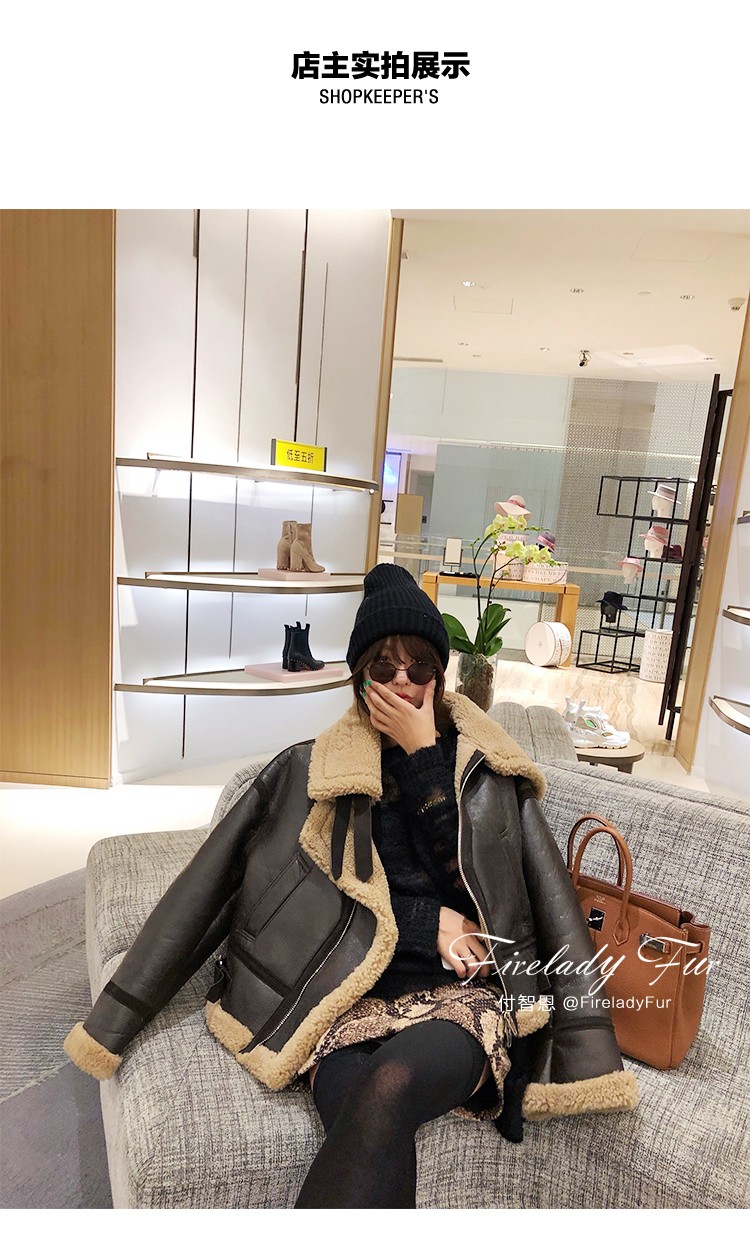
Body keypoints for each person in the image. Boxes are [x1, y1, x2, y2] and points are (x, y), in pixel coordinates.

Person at [64, 564, 639, 1209]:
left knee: (389, 1085)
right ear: (358, 677)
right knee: (354, 1104)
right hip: (349, 995)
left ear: (441, 675)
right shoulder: (309, 774)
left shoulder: (490, 774)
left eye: (419, 666)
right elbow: (205, 894)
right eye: (383, 666)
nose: (402, 680)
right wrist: (114, 1022)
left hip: (464, 994)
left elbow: (518, 900)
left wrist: (423, 757)